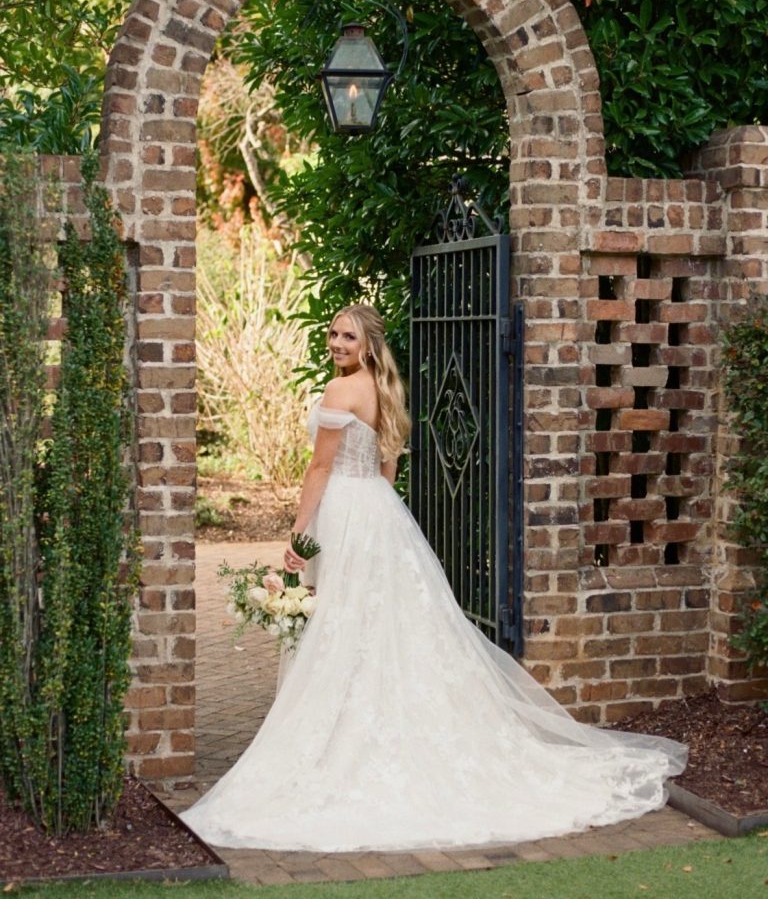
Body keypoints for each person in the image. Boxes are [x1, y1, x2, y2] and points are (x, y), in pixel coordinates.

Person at [181, 303, 686, 852]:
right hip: (378, 512)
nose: (337, 343)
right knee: (380, 625)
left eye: (348, 337)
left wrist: (299, 533)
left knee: (346, 624)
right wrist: (365, 513)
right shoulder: (386, 390)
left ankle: (347, 736)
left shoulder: (340, 389)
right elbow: (387, 469)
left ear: (367, 344)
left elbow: (321, 467)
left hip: (346, 512)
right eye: (333, 334)